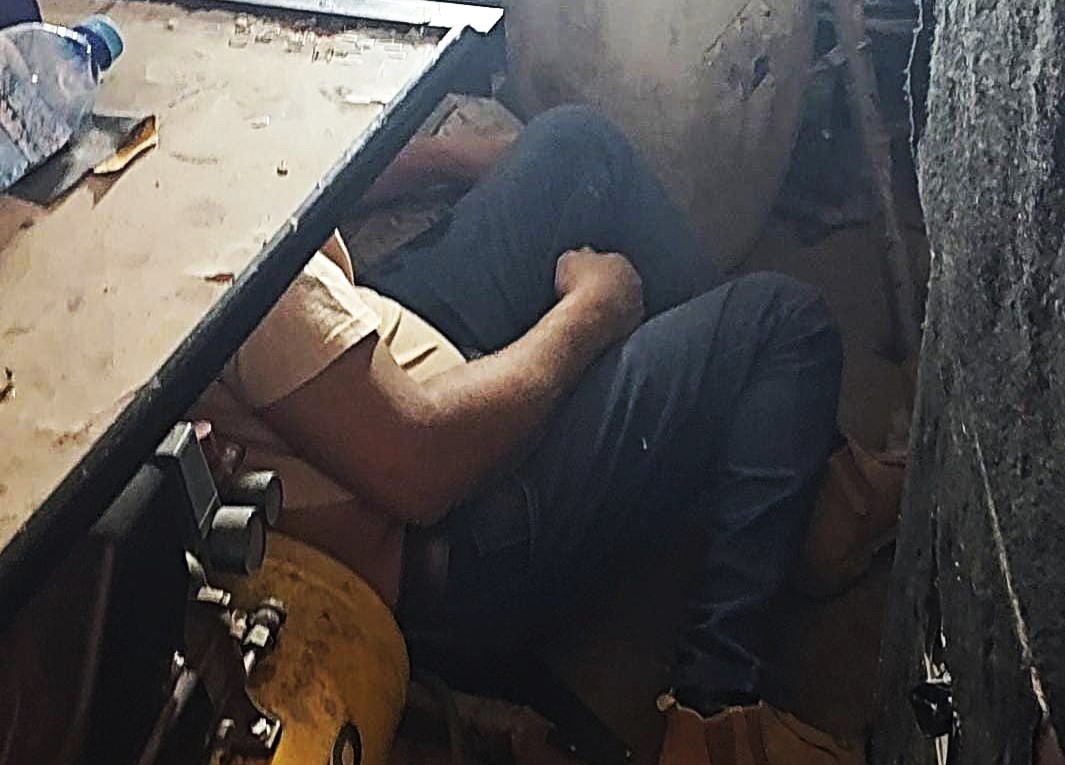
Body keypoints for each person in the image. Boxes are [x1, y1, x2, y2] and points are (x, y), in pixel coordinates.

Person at [192, 105, 871, 764]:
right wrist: (591, 311)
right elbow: (424, 471)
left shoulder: (188, 175)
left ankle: (798, 480)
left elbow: (293, 182)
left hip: (375, 342)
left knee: (579, 150)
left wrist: (444, 159)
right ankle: (715, 713)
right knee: (784, 325)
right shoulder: (234, 275)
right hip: (450, 542)